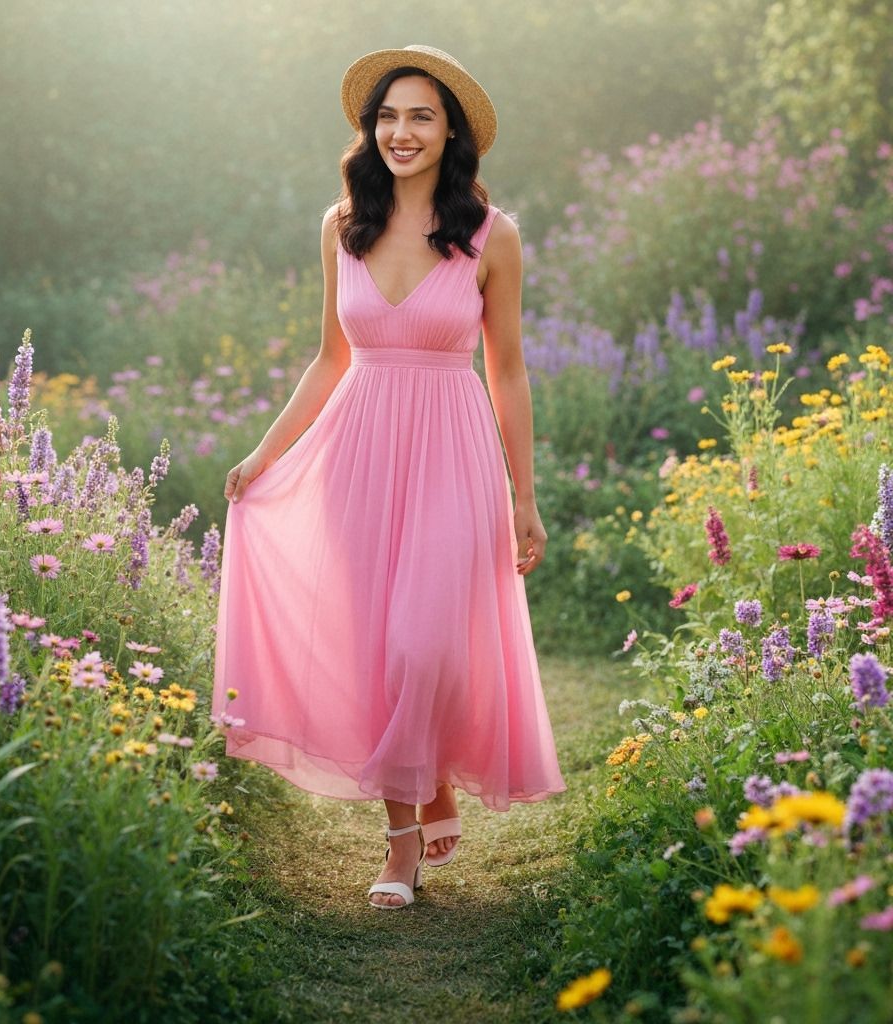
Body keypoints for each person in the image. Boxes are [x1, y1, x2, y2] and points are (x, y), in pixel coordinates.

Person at [211, 44, 565, 910]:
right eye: (388, 117)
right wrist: (264, 456)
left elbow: (508, 370)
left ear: (452, 133)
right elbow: (332, 357)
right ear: (370, 131)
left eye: (421, 117)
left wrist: (525, 496)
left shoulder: (492, 234)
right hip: (357, 453)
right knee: (379, 647)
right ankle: (403, 833)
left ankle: (423, 788)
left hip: (453, 449)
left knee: (424, 643)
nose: (401, 132)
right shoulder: (342, 226)